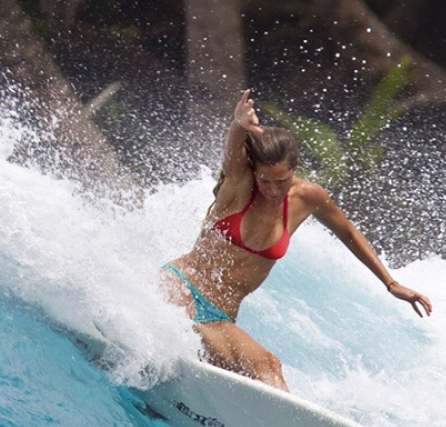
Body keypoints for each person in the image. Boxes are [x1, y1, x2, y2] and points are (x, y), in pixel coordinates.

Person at [161, 89, 431, 390]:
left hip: (221, 317)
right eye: (265, 181)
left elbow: (349, 233)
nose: (274, 189)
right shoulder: (239, 185)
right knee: (177, 337)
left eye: (282, 181)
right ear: (253, 172)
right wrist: (238, 124)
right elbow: (231, 153)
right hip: (182, 287)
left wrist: (390, 283)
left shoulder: (308, 197)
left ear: (295, 171)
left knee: (268, 366)